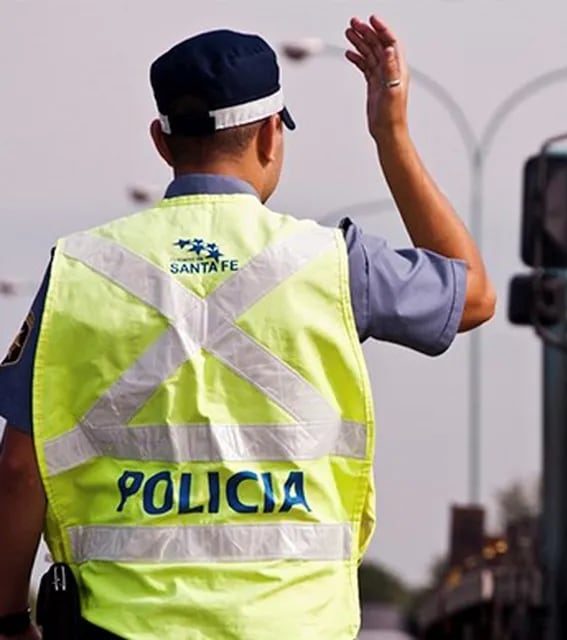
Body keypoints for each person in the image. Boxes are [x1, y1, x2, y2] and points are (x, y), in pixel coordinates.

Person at [0, 15, 494, 640]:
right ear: (269, 136)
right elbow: (472, 293)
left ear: (161, 141)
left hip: (117, 627)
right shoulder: (334, 263)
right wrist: (390, 134)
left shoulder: (78, 268)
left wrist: (10, 619)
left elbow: (19, 468)